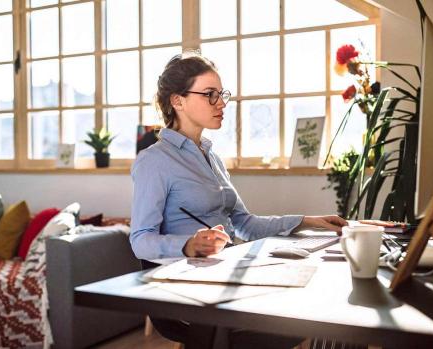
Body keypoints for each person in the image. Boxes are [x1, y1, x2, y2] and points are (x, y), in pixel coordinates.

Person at [130, 52, 347, 349]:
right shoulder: (154, 161)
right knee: (306, 318)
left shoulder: (213, 157)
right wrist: (187, 245)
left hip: (225, 275)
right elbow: (140, 239)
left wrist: (308, 220)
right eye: (210, 95)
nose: (221, 103)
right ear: (177, 101)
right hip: (186, 292)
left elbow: (245, 223)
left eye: (221, 94)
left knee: (325, 298)